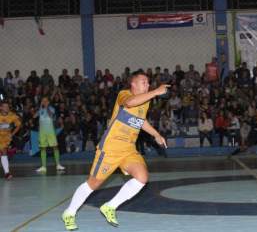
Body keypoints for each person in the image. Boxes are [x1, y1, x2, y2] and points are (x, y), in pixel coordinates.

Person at [62, 72, 169, 231]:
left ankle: (110, 206)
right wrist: (155, 92)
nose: (147, 85)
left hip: (128, 149)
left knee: (142, 177)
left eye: (148, 83)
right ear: (133, 84)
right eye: (143, 82)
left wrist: (156, 134)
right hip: (111, 148)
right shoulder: (124, 94)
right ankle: (69, 213)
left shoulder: (145, 102)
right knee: (93, 184)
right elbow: (131, 103)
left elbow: (140, 121)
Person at [36, 97, 65, 173]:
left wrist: (46, 107)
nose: (44, 102)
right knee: (42, 148)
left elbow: (51, 115)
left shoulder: (51, 108)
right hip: (42, 132)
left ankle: (58, 165)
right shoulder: (40, 109)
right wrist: (40, 107)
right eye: (43, 100)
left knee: (55, 147)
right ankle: (43, 167)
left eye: (45, 101)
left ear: (48, 102)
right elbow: (35, 116)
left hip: (50, 131)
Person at [0, 101, 21, 180]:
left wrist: (12, 134)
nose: (7, 108)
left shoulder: (12, 115)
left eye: (8, 106)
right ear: (1, 107)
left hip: (5, 138)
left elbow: (18, 125)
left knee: (4, 152)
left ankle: (7, 173)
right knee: (3, 152)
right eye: (5, 106)